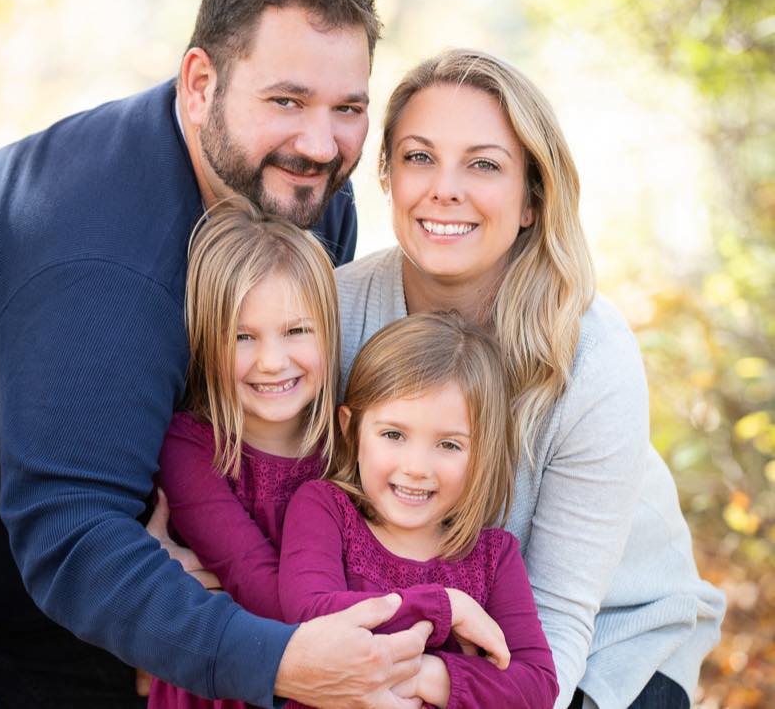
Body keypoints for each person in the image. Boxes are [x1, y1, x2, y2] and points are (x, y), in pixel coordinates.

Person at [0, 0, 431, 709]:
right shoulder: (106, 267)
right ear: (199, 85)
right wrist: (279, 660)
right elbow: (74, 535)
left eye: (347, 108)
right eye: (286, 101)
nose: (321, 145)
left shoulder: (295, 193)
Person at [335, 49, 726, 708]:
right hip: (421, 631)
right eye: (419, 157)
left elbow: (560, 617)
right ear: (387, 176)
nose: (444, 189)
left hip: (602, 637)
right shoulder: (336, 312)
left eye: (483, 164)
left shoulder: (590, 353)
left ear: (529, 200)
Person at [280, 312, 559, 709]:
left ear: (483, 454)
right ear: (351, 428)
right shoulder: (325, 510)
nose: (415, 467)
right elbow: (311, 613)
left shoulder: (493, 558)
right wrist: (445, 608)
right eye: (393, 434)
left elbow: (536, 686)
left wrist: (429, 675)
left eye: (448, 445)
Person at [147, 197, 341, 709]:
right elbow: (254, 582)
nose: (272, 362)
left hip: (335, 677)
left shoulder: (348, 440)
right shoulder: (193, 448)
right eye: (243, 337)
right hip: (228, 684)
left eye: (296, 331)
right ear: (208, 343)